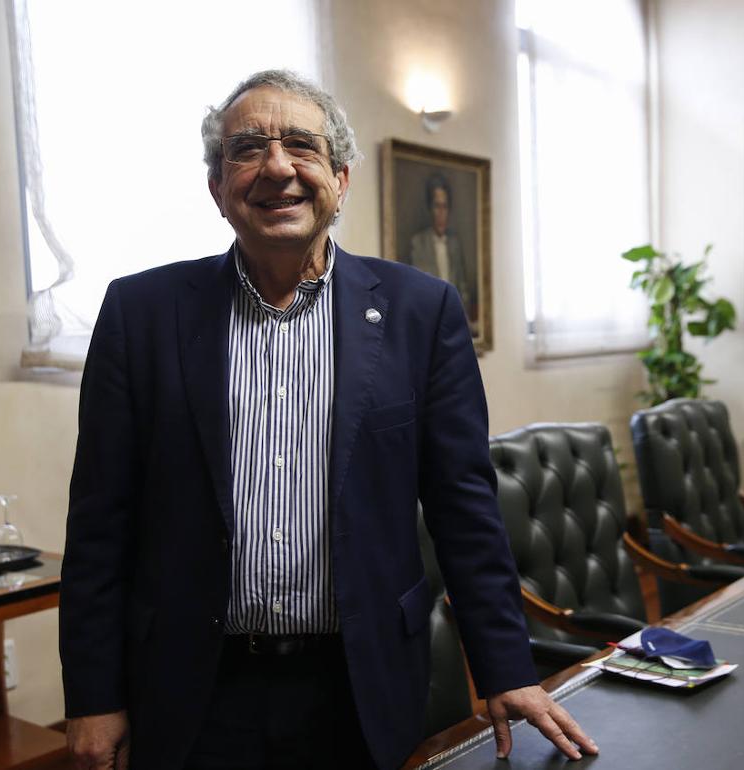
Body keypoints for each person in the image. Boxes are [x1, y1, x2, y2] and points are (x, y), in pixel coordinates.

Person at [59, 70, 597, 770]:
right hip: (192, 686)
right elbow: (100, 525)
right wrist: (93, 697)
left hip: (360, 684)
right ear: (218, 189)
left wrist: (506, 668)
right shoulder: (141, 313)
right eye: (247, 149)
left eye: (301, 147)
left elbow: (465, 508)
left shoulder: (422, 312)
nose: (276, 167)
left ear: (340, 180)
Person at [408, 174, 476, 313]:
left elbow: (463, 289)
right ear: (429, 208)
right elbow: (415, 290)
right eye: (436, 206)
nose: (441, 213)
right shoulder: (418, 243)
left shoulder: (454, 244)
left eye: (444, 207)